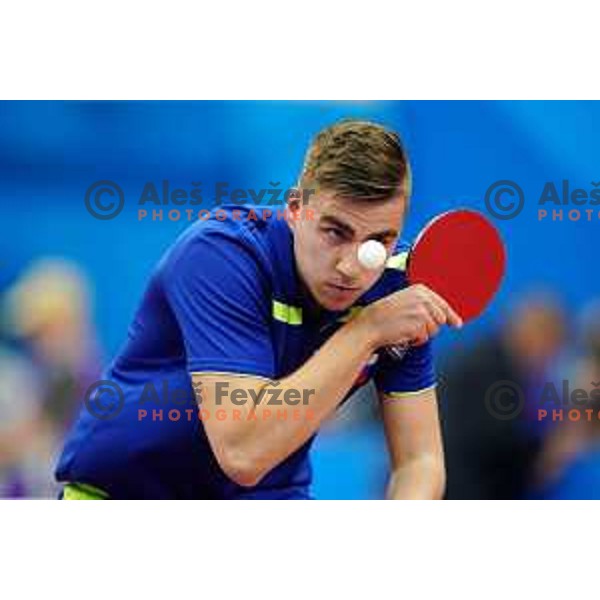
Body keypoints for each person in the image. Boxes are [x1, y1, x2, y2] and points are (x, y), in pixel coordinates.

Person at [55, 119, 462, 500]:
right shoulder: (221, 257)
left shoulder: (396, 294)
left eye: (378, 241)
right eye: (335, 232)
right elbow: (243, 454)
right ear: (295, 209)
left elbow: (419, 461)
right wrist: (365, 331)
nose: (350, 267)